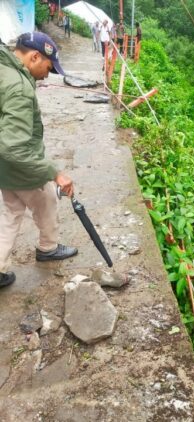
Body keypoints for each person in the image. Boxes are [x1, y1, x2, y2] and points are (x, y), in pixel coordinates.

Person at [0, 32, 78, 288]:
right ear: (34, 56)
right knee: (47, 198)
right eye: (48, 67)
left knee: (11, 212)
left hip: (5, 167)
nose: (48, 74)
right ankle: (48, 248)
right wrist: (54, 172)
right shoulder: (20, 88)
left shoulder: (5, 69)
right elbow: (14, 147)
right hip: (19, 164)